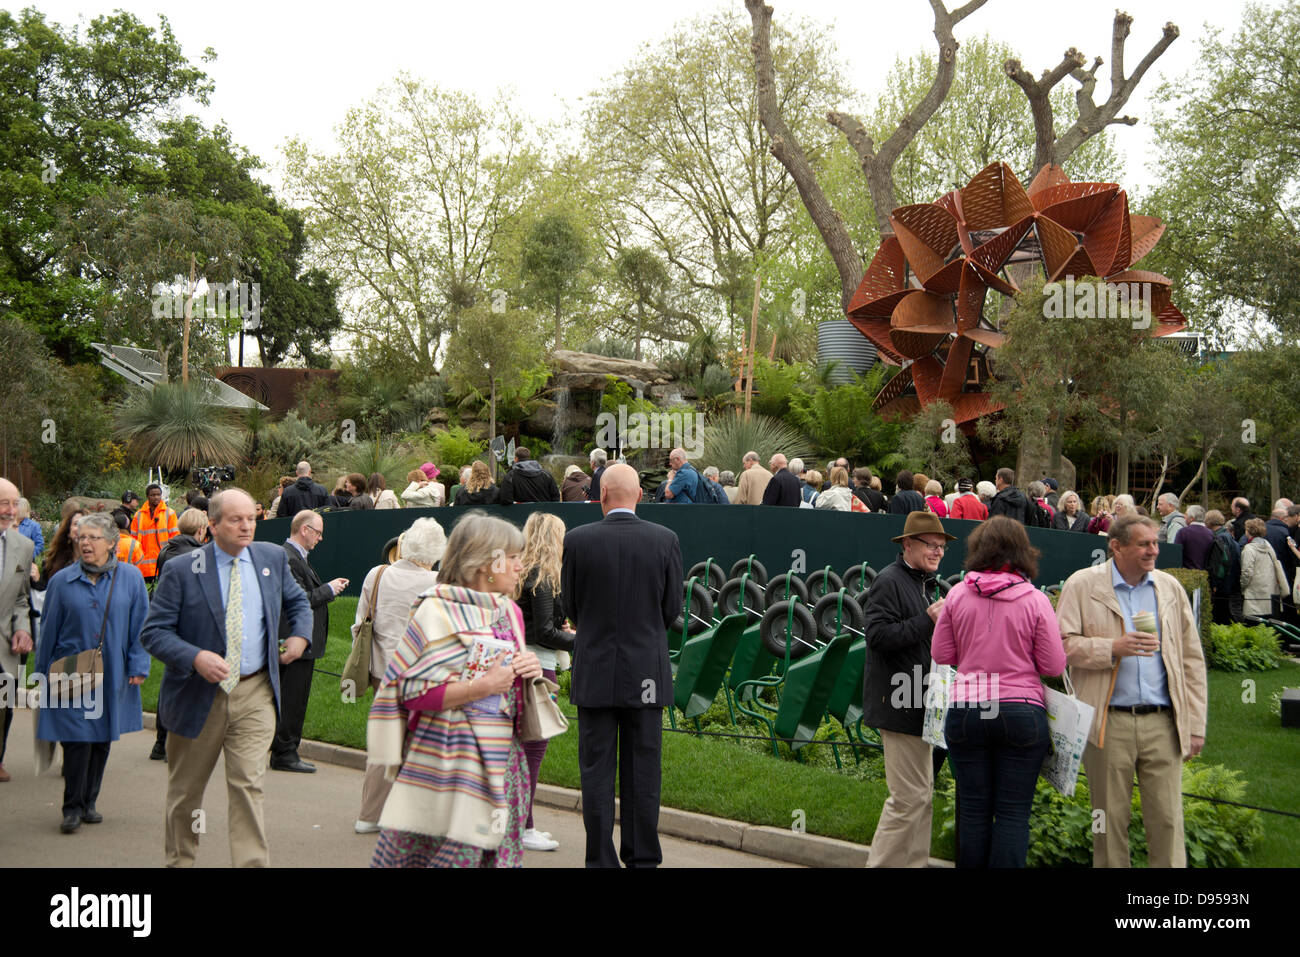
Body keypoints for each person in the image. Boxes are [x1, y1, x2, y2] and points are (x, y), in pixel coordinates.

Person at [140, 487, 313, 867]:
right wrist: (195, 656)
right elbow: (153, 632)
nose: (247, 526)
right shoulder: (182, 570)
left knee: (249, 786)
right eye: (236, 520)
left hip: (255, 692)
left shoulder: (271, 558)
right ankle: (180, 861)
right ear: (212, 525)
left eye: (251, 518)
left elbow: (298, 600)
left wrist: (300, 635)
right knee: (186, 793)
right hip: (197, 696)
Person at [367, 513, 543, 868]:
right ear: (484, 563)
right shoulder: (436, 610)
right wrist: (480, 687)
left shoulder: (510, 612)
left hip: (504, 764)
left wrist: (530, 671)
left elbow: (511, 691)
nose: (519, 565)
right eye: (511, 557)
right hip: (447, 765)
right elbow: (411, 692)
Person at [1056, 512, 1208, 868]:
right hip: (1109, 724)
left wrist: (1196, 724)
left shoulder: (1168, 588)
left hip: (1162, 722)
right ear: (1116, 546)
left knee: (1169, 821)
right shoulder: (1082, 585)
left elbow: (1191, 659)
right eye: (1144, 544)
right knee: (1108, 824)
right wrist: (1112, 648)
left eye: (1155, 543)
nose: (1153, 550)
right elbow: (1060, 646)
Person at [561, 463, 683, 867]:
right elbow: (672, 610)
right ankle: (643, 858)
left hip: (595, 670)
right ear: (639, 496)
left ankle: (600, 860)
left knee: (595, 773)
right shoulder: (665, 540)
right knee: (643, 770)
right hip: (646, 671)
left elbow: (571, 608)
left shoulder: (577, 541)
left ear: (602, 496)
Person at [931, 516, 1066, 867]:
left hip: (967, 709)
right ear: (1023, 551)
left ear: (978, 548)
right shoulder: (1035, 600)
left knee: (972, 809)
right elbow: (1053, 666)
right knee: (1012, 814)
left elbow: (942, 655)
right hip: (1020, 711)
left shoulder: (958, 593)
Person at [35, 512, 151, 832]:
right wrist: (41, 674)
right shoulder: (62, 581)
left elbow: (141, 626)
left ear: (112, 543)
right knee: (76, 739)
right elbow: (49, 630)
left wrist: (139, 664)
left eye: (93, 538)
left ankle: (89, 801)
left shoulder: (130, 578)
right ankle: (71, 806)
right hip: (70, 670)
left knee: (100, 739)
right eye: (81, 537)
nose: (85, 543)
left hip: (112, 669)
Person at [863, 510, 954, 867]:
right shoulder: (889, 580)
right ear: (908, 545)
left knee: (923, 797)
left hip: (922, 702)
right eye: (931, 545)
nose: (938, 552)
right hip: (899, 703)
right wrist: (926, 620)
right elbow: (877, 636)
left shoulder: (923, 582)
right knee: (908, 798)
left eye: (942, 547)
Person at [352, 518, 445, 833]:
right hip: (423, 675)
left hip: (383, 671)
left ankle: (369, 814)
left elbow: (359, 625)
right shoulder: (438, 582)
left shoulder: (376, 574)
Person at [516, 512, 576, 851]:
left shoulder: (526, 570)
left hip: (529, 664)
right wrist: (581, 641)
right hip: (538, 667)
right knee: (534, 747)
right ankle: (524, 827)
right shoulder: (541, 575)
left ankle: (520, 823)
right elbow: (544, 632)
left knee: (525, 747)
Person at [273, 510, 348, 773]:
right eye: (318, 533)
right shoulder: (289, 558)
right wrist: (328, 590)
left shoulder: (295, 557)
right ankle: (284, 752)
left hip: (298, 642)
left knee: (292, 698)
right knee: (293, 699)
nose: (320, 539)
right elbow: (297, 599)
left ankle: (284, 750)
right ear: (304, 530)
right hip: (296, 642)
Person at [148, 507, 211, 761]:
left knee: (172, 680)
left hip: (169, 622)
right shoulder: (197, 556)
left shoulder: (166, 549)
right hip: (189, 624)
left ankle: (161, 741)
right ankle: (176, 741)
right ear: (200, 529)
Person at [0, 478, 34, 784]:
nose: (11, 511)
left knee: (3, 705)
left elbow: (22, 598)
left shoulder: (24, 546)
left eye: (14, 503)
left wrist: (22, 629)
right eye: (3, 503)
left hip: (3, 645)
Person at [129, 483, 178, 582]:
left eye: (158, 495)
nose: (156, 497)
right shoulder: (138, 515)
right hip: (143, 567)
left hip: (163, 563)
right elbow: (133, 539)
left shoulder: (169, 513)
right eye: (153, 495)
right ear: (147, 496)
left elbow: (175, 537)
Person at [1240, 517, 1288, 618]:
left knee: (1254, 625)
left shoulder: (1249, 549)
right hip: (1270, 593)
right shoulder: (1269, 546)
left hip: (1254, 595)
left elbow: (1246, 572)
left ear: (1248, 531)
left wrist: (1242, 587)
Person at [1204, 510, 1243, 625]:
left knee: (1220, 617)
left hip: (1222, 586)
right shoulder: (1230, 537)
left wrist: (1215, 583)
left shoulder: (1219, 539)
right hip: (1232, 583)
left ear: (1209, 522)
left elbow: (1219, 562)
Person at [1174, 505, 1215, 570]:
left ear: (1192, 518)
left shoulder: (1183, 532)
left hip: (1187, 574)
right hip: (1205, 573)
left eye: (1186, 514)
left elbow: (1175, 555)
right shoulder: (1211, 533)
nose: (1184, 517)